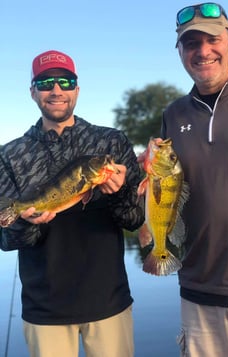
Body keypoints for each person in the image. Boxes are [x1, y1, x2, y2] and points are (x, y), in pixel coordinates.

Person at [0, 50, 145, 357]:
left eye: (65, 81)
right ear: (32, 91)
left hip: (109, 301)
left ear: (77, 89)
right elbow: (7, 238)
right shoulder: (9, 154)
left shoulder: (111, 142)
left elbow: (134, 219)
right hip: (44, 309)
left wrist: (116, 192)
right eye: (45, 82)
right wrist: (27, 220)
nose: (56, 90)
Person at [160, 3, 228, 356]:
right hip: (198, 292)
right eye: (191, 43)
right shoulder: (173, 114)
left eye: (212, 39)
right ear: (180, 52)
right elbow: (166, 192)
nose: (203, 51)